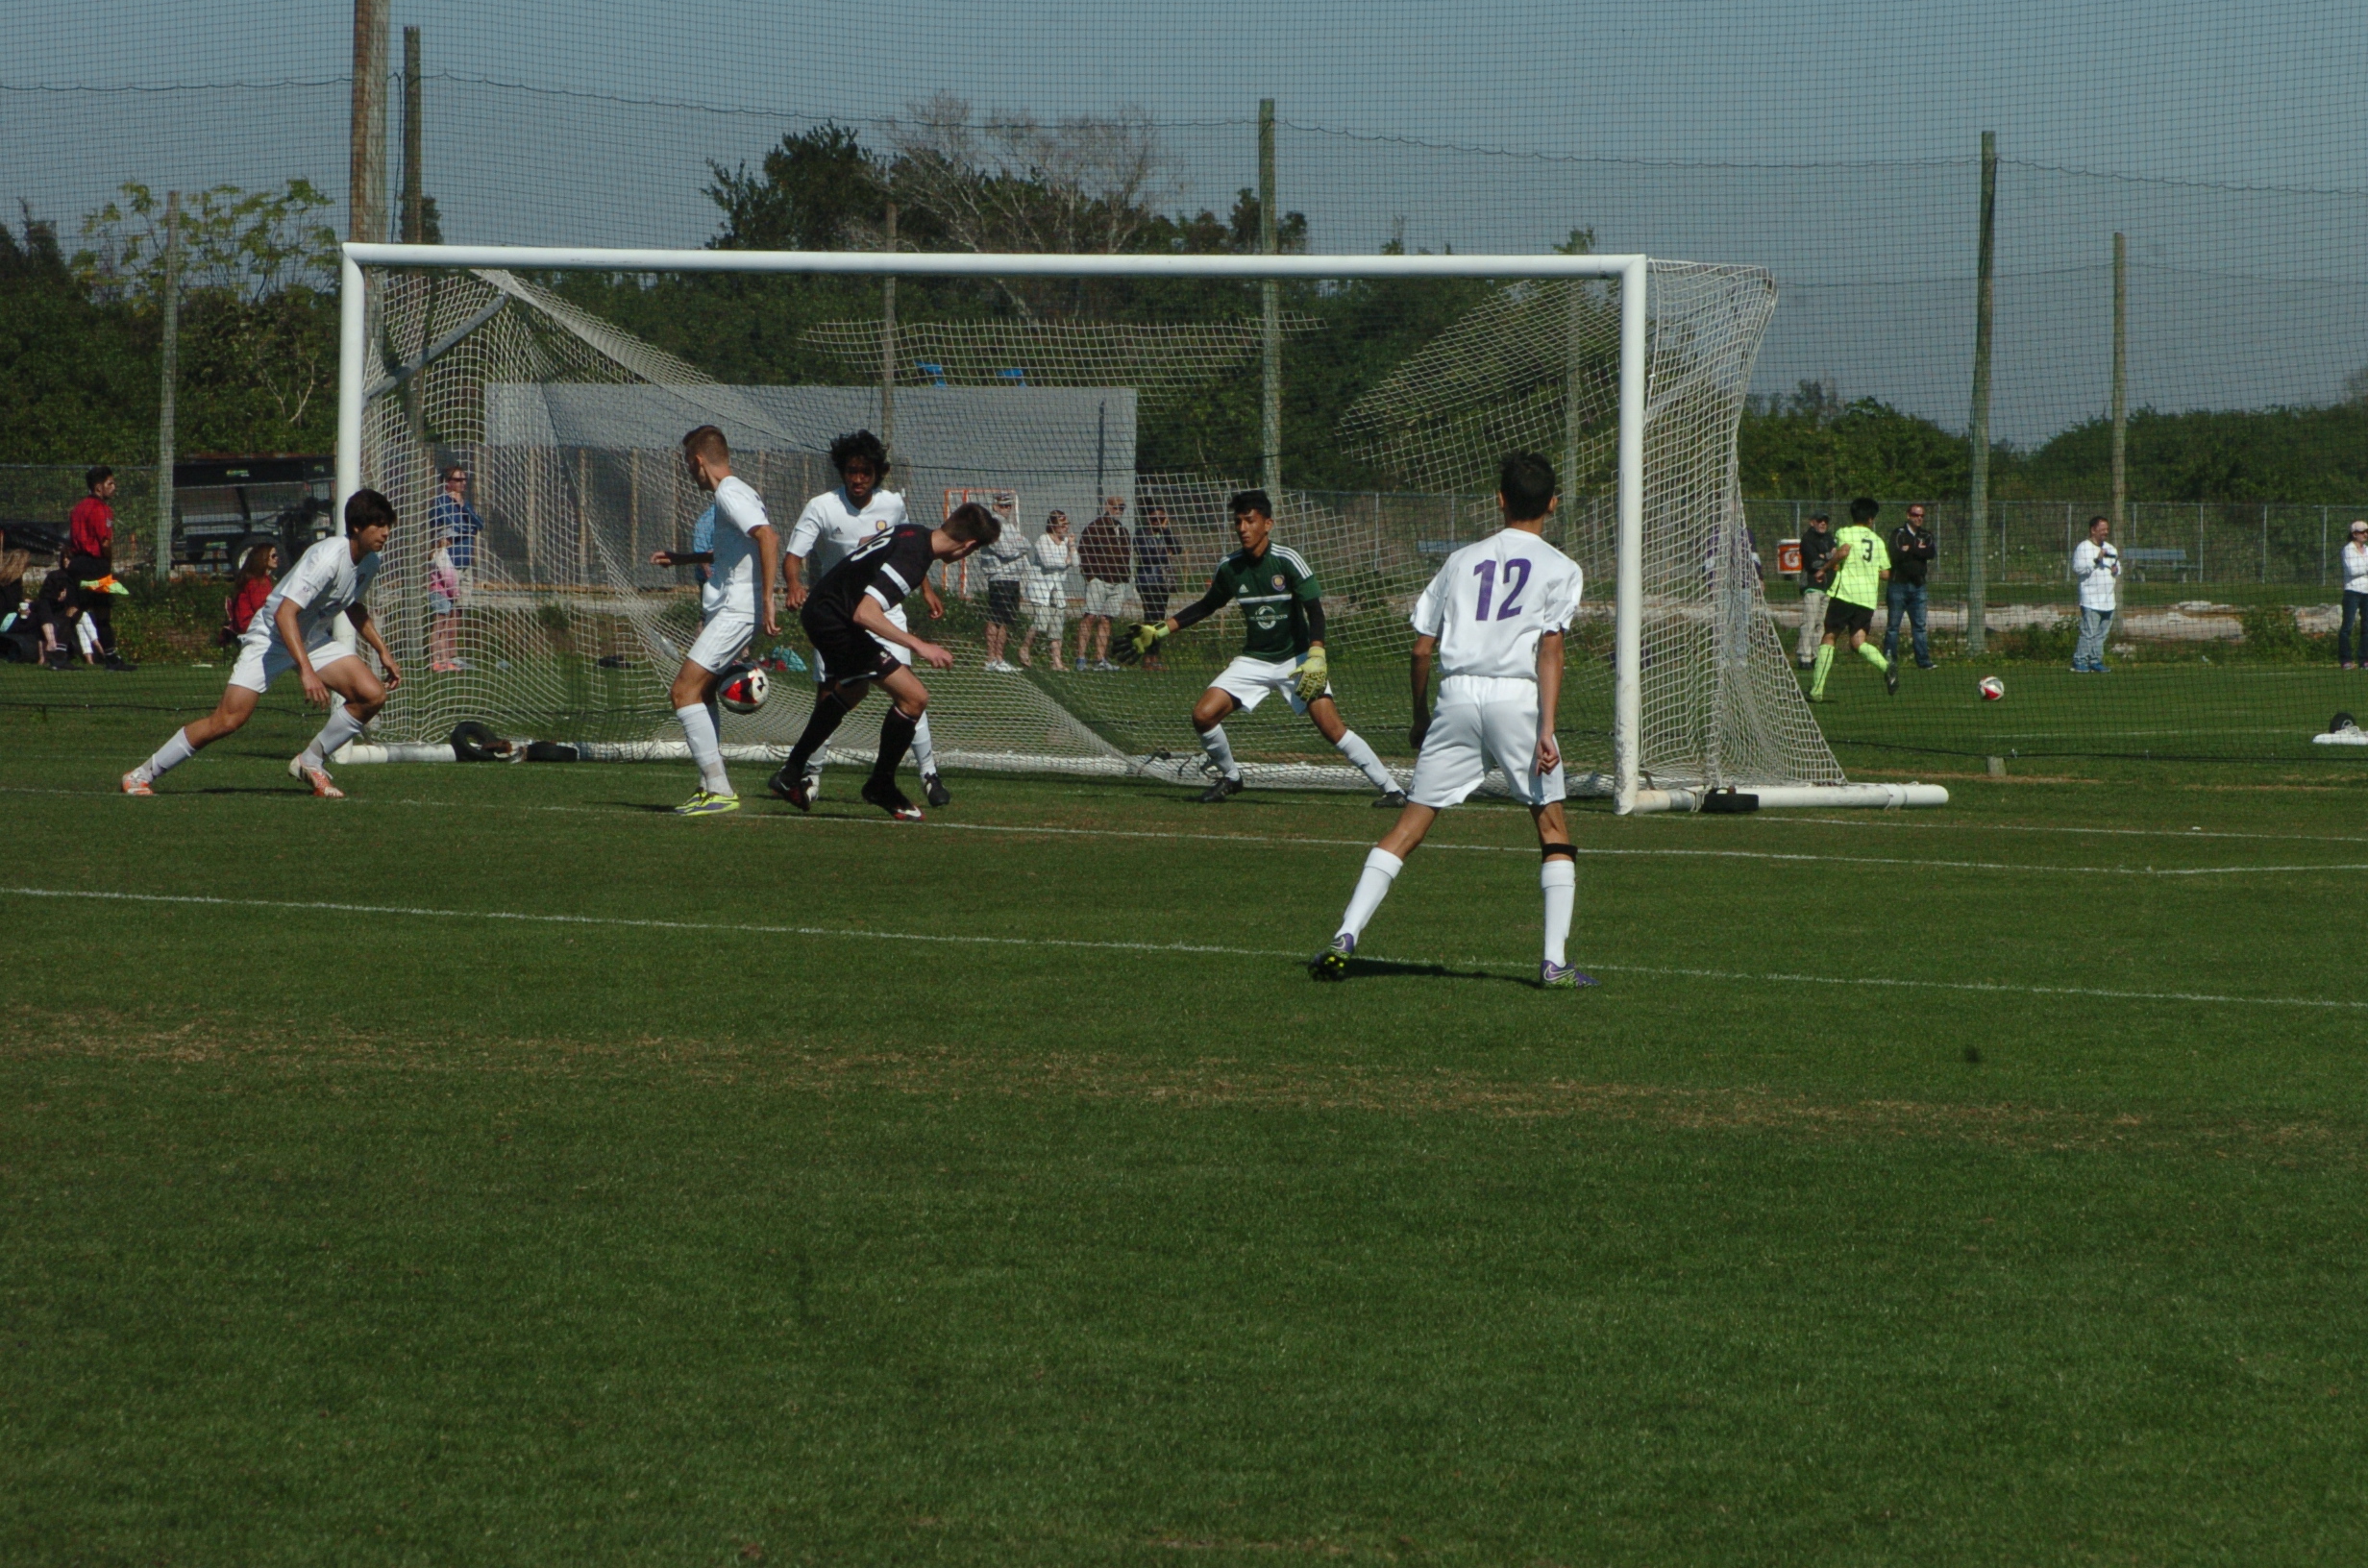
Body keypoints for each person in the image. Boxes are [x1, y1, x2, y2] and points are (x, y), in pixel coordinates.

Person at [1311, 453, 1591, 988]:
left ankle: (1345, 933)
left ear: (1499, 500)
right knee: (1552, 827)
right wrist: (1546, 730)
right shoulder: (1562, 567)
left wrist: (1420, 716)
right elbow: (1550, 649)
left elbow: (1421, 649)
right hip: (1516, 699)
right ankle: (1554, 964)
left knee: (1409, 826)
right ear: (1553, 504)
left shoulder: (1461, 560)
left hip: (1457, 695)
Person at [1116, 489, 1404, 806]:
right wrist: (1159, 631)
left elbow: (1315, 611)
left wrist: (1316, 654)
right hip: (1254, 660)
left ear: (1268, 524)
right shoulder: (1230, 566)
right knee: (1203, 715)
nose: (1242, 528)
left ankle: (1393, 790)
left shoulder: (1287, 560)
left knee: (1331, 727)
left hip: (1297, 660)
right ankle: (1231, 777)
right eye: (1238, 522)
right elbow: (1206, 606)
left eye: (1250, 521)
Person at [121, 489, 405, 796]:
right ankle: (140, 775)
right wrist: (307, 672)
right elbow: (285, 614)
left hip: (311, 639)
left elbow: (352, 605)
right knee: (228, 720)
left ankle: (310, 761)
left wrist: (383, 651)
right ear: (356, 528)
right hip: (271, 637)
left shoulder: (370, 562)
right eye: (379, 525)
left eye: (387, 525)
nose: (386, 532)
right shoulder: (327, 558)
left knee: (371, 695)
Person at [768, 503, 999, 821]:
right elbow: (866, 613)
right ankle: (880, 785)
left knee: (853, 690)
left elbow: (867, 549)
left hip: (824, 610)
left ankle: (791, 772)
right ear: (968, 546)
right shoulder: (914, 560)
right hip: (834, 620)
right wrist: (920, 645)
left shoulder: (913, 532)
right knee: (915, 697)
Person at [783, 430, 952, 808]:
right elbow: (793, 556)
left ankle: (928, 773)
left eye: (866, 472)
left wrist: (926, 589)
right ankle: (811, 776)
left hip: (885, 611)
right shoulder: (822, 506)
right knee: (832, 692)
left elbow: (911, 549)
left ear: (879, 473)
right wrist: (793, 584)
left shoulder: (892, 504)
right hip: (840, 616)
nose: (858, 479)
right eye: (851, 471)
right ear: (841, 471)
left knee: (909, 691)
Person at [656, 426, 779, 814]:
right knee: (703, 692)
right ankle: (707, 785)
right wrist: (683, 559)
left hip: (736, 610)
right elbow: (735, 551)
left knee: (683, 692)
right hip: (732, 609)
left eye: (687, 464)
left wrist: (768, 600)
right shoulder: (735, 492)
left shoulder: (729, 491)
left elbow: (768, 538)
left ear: (698, 461)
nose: (688, 472)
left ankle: (720, 788)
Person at [1807, 497, 1895, 701]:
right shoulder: (1878, 541)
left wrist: (1824, 569)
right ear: (1871, 519)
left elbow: (1843, 552)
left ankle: (1816, 691)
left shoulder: (1844, 532)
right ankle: (1887, 667)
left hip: (1845, 594)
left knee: (1830, 636)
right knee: (1858, 641)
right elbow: (1885, 573)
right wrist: (1868, 570)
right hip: (1867, 598)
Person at [67, 465, 133, 671]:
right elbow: (104, 542)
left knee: (75, 608)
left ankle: (57, 653)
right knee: (102, 611)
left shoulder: (78, 508)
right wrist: (108, 563)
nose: (114, 487)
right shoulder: (101, 509)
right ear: (98, 487)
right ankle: (111, 659)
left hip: (78, 563)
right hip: (95, 564)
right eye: (110, 483)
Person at [427, 465, 483, 669]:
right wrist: (467, 527)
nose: (463, 483)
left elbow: (478, 524)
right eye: (458, 480)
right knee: (444, 610)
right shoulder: (440, 503)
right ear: (447, 482)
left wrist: (464, 507)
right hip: (449, 564)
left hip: (466, 563)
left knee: (459, 610)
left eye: (464, 480)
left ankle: (452, 655)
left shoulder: (465, 505)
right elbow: (455, 527)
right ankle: (438, 658)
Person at [1075, 496, 1132, 671]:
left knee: (1107, 620)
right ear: (1107, 507)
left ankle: (1100, 659)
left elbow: (1126, 555)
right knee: (1090, 617)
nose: (1119, 511)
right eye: (1116, 507)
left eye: (1122, 508)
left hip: (1118, 581)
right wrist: (1090, 577)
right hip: (1099, 580)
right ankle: (1081, 658)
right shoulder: (1094, 528)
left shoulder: (1123, 531)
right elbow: (1083, 553)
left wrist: (1125, 577)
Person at [1883, 502, 1937, 670]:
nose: (1919, 518)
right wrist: (1917, 549)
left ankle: (1923, 661)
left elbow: (1930, 553)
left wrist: (1910, 549)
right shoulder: (1898, 533)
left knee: (1920, 627)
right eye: (1915, 515)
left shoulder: (1926, 535)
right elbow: (1895, 554)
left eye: (1922, 516)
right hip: (1898, 586)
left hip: (1919, 586)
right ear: (1908, 515)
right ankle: (1889, 661)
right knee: (1893, 626)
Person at [977, 507, 1032, 672]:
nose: (1006, 509)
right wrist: (1018, 547)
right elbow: (1005, 551)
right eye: (1002, 505)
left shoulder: (1010, 526)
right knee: (996, 618)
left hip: (1014, 577)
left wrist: (1017, 546)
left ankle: (999, 658)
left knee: (1006, 620)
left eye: (1008, 505)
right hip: (999, 577)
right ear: (995, 506)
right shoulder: (991, 526)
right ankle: (990, 659)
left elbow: (1027, 543)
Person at [1019, 511, 1073, 671]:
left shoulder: (1065, 542)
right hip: (1041, 586)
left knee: (1057, 624)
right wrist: (1065, 562)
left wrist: (1072, 547)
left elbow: (1076, 561)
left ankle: (1056, 662)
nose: (1066, 527)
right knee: (1041, 621)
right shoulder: (1043, 540)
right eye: (1062, 525)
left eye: (1067, 524)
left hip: (1057, 587)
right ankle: (1025, 648)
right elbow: (1048, 563)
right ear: (1053, 526)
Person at [2070, 514, 2121, 674]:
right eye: (2102, 529)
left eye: (2107, 529)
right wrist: (2096, 561)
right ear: (2093, 530)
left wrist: (2116, 570)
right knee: (2089, 632)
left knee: (2102, 634)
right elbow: (2078, 569)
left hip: (2108, 600)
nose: (2105, 532)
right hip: (2091, 600)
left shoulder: (2111, 549)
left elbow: (2117, 568)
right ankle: (2079, 660)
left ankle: (2095, 660)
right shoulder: (2083, 547)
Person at [1133, 504, 1177, 670]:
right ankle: (1146, 657)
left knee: (1160, 619)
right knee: (1150, 618)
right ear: (1148, 519)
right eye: (1154, 519)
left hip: (1162, 581)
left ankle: (1154, 657)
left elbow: (1177, 548)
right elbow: (1146, 555)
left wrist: (1166, 531)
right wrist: (1164, 553)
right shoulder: (1141, 534)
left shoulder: (1164, 534)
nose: (1157, 522)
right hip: (1147, 580)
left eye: (1161, 519)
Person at [1793, 511, 1835, 669]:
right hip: (1812, 586)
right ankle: (1804, 657)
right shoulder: (1807, 538)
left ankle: (1816, 656)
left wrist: (1825, 557)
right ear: (1812, 522)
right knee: (1809, 622)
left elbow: (1835, 556)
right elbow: (1813, 563)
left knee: (1821, 624)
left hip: (1827, 586)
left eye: (1825, 521)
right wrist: (1829, 558)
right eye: (1819, 520)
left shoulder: (1829, 537)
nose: (1823, 523)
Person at [222, 543, 278, 647]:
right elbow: (263, 607)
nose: (276, 558)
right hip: (251, 626)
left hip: (246, 625)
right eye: (273, 556)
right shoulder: (258, 582)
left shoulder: (254, 579)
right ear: (263, 558)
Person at [2341, 520, 2368, 670]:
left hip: (2367, 591)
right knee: (2347, 627)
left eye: (2367, 532)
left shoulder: (2367, 550)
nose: (2365, 534)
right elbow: (2352, 570)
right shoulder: (2348, 550)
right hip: (2352, 591)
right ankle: (2346, 660)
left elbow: (2359, 568)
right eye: (2362, 532)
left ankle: (2364, 660)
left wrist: (2363, 567)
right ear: (2354, 534)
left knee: (2367, 627)